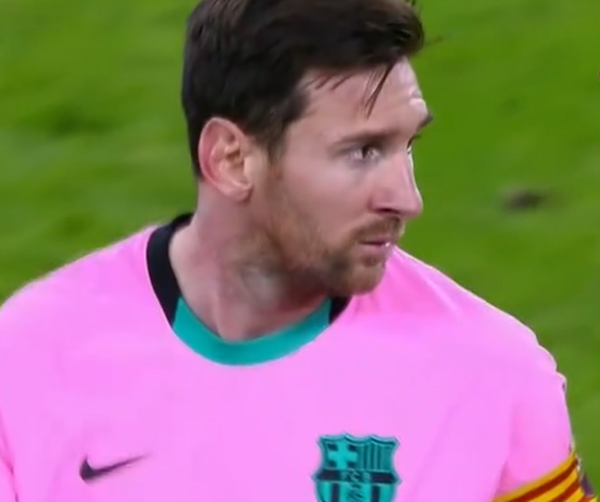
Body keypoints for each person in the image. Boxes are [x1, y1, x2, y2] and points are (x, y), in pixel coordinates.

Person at [0, 0, 594, 500]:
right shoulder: (27, 360)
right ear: (232, 160)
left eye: (406, 146)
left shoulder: (492, 377)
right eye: (363, 152)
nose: (407, 199)